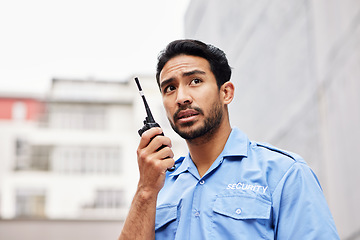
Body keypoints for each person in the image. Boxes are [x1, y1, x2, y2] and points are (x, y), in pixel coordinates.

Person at [118, 39, 339, 239]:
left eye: (195, 81)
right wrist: (145, 190)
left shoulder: (285, 174)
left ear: (226, 93)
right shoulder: (156, 188)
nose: (182, 98)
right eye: (170, 88)